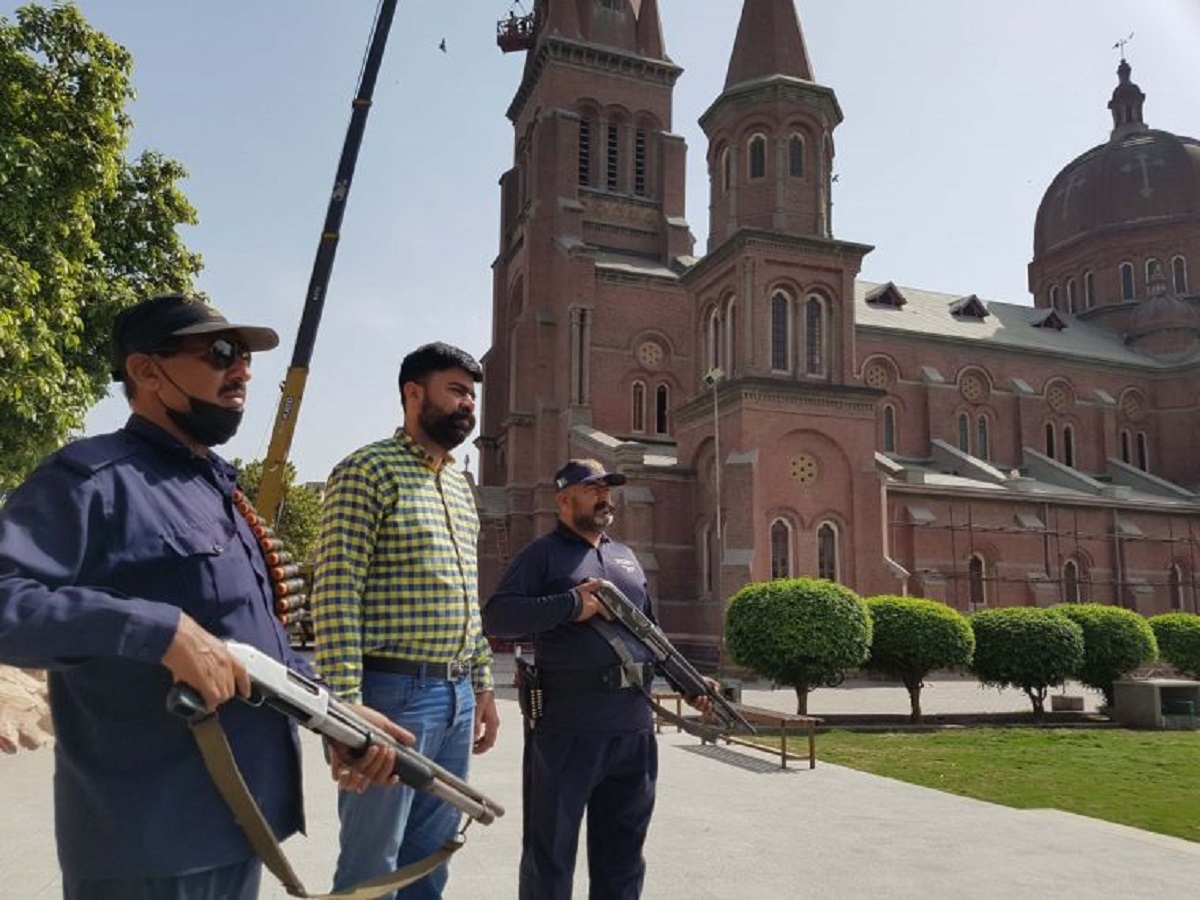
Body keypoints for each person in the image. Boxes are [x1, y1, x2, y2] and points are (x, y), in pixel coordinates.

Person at [0, 293, 405, 900]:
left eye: (244, 357)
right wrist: (157, 629)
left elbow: (251, 645)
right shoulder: (91, 481)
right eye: (219, 353)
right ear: (145, 371)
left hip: (239, 821)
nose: (241, 370)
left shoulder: (219, 491)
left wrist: (334, 714)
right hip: (150, 844)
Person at [313, 341, 500, 900]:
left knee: (430, 860)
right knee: (374, 865)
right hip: (391, 696)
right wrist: (344, 702)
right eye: (456, 391)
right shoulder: (366, 471)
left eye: (473, 395)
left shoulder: (461, 492)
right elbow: (336, 591)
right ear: (412, 394)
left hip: (456, 697)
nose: (469, 405)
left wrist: (483, 683)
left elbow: (469, 595)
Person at [483, 458, 712, 900]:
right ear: (564, 499)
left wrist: (691, 682)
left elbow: (651, 633)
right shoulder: (542, 554)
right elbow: (499, 616)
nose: (606, 497)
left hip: (632, 731)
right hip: (568, 730)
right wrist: (571, 604)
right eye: (593, 489)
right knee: (550, 857)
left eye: (608, 489)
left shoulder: (626, 557)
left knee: (623, 860)